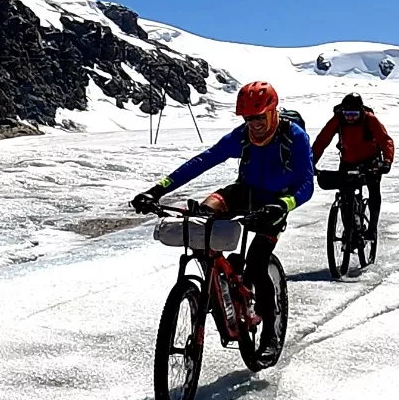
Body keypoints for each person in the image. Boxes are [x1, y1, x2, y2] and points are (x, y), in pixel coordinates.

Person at [132, 81, 314, 346]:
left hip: (275, 203)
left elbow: (307, 185)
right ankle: (217, 281)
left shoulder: (293, 136)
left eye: (259, 117)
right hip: (245, 192)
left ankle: (271, 331)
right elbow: (203, 161)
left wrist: (284, 205)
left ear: (273, 111)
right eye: (248, 118)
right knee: (203, 215)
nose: (253, 124)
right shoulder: (242, 135)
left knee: (257, 262)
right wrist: (156, 190)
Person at [311, 92, 395, 239]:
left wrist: (387, 161)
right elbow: (322, 141)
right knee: (345, 195)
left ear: (361, 111)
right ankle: (349, 229)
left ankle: (372, 228)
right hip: (348, 162)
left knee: (374, 191)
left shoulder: (370, 120)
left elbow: (385, 140)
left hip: (371, 162)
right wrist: (311, 163)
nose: (350, 117)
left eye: (354, 114)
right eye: (347, 113)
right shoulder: (338, 119)